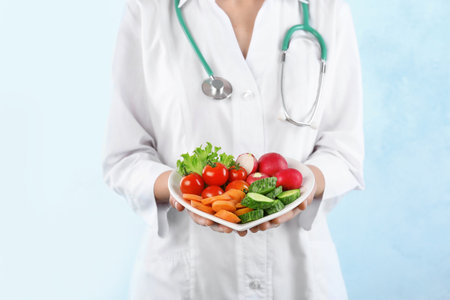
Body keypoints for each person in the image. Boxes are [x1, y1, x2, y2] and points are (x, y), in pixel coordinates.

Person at [102, 0, 364, 299]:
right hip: (187, 278)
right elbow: (124, 158)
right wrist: (186, 193)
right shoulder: (149, 10)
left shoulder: (325, 8)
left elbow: (344, 151)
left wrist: (301, 185)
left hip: (298, 275)